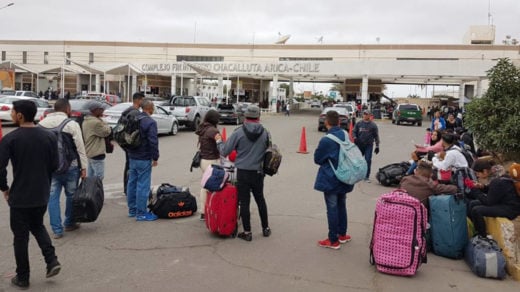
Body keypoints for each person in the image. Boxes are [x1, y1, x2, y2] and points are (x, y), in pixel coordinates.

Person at [0, 100, 62, 289]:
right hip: (42, 192)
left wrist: (4, 188)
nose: (11, 114)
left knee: (20, 237)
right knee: (37, 226)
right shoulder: (49, 137)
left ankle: (23, 277)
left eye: (13, 112)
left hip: (20, 196)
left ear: (20, 115)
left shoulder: (11, 139)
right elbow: (55, 165)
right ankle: (51, 261)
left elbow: (0, 167)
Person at [214, 104, 270, 242]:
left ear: (245, 116)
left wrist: (219, 141)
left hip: (243, 172)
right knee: (260, 199)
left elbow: (224, 151)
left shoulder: (238, 132)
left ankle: (247, 232)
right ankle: (265, 228)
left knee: (244, 202)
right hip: (258, 171)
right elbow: (268, 151)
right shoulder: (266, 133)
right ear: (259, 117)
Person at [38, 98, 88, 239]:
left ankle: (57, 230)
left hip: (50, 169)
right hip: (71, 167)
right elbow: (80, 147)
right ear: (67, 109)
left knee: (52, 197)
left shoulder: (41, 124)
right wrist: (84, 167)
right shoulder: (71, 124)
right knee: (71, 195)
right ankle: (70, 223)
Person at [314, 110, 354, 249]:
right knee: (341, 204)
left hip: (331, 177)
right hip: (345, 175)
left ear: (326, 122)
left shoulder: (326, 140)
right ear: (338, 122)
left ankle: (333, 240)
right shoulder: (344, 134)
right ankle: (342, 234)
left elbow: (317, 159)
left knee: (332, 208)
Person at [467, 159, 520, 237]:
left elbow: (488, 202)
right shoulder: (498, 176)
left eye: (477, 173)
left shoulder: (497, 181)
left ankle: (482, 236)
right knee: (473, 203)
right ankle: (476, 229)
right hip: (504, 203)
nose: (477, 176)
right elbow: (493, 191)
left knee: (477, 210)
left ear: (485, 171)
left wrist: (475, 191)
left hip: (511, 209)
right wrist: (482, 187)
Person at [126, 99, 159, 221]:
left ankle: (132, 209)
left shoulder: (134, 118)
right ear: (150, 108)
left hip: (132, 155)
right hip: (144, 157)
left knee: (132, 182)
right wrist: (155, 157)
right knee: (143, 185)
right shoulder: (150, 122)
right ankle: (141, 213)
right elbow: (153, 142)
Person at [195, 109, 221, 221]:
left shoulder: (203, 127)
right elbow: (221, 145)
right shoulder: (213, 131)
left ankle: (203, 212)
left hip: (203, 160)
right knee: (213, 187)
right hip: (212, 161)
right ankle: (209, 211)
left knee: (205, 186)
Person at [121, 92, 145, 195]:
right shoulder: (136, 113)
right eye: (143, 100)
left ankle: (126, 188)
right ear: (138, 100)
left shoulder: (126, 111)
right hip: (132, 144)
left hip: (124, 142)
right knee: (132, 167)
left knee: (128, 165)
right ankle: (130, 189)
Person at [82, 101, 112, 181]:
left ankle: (90, 192)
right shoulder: (95, 122)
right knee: (99, 177)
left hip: (90, 152)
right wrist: (107, 125)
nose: (103, 111)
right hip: (96, 153)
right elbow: (107, 132)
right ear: (95, 110)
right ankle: (95, 192)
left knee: (91, 177)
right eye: (101, 109)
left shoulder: (87, 120)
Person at [352, 110, 380, 182]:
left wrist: (377, 146)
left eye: (366, 114)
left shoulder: (373, 125)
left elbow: (376, 136)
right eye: (364, 114)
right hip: (359, 145)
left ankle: (366, 176)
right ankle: (357, 175)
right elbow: (354, 131)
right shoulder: (359, 124)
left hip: (368, 145)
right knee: (358, 161)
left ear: (369, 115)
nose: (365, 115)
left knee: (367, 160)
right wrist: (355, 137)